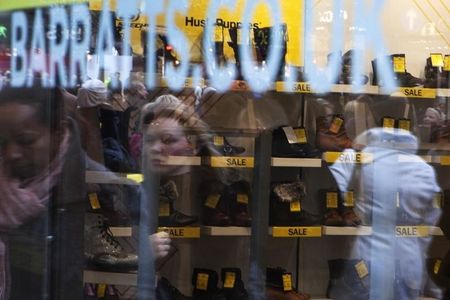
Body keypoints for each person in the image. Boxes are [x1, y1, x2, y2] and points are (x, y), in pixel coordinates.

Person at [0, 87, 85, 299]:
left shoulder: (89, 187)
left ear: (57, 133)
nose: (12, 154)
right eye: (2, 143)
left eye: (26, 141)